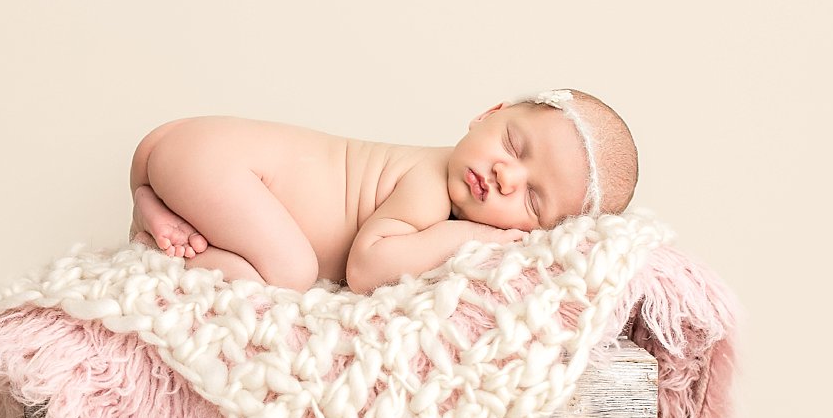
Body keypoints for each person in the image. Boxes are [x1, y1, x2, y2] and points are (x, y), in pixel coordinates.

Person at [127, 89, 639, 294]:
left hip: (196, 151)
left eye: (531, 200)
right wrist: (480, 238)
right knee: (291, 273)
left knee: (284, 265)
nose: (507, 175)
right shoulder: (429, 183)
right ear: (489, 114)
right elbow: (366, 267)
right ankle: (154, 244)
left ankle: (155, 202)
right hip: (218, 160)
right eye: (512, 144)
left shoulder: (444, 193)